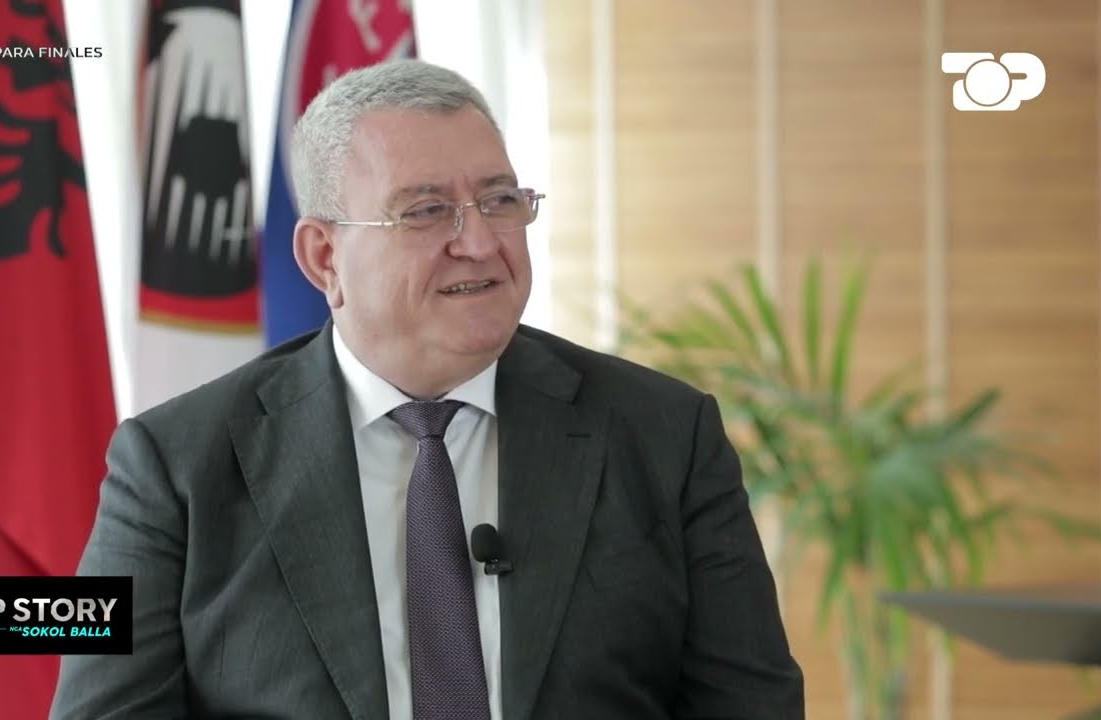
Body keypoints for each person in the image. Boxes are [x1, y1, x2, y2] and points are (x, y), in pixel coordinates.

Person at [50, 59, 804, 720]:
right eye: (426, 211)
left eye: (500, 200)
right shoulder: (173, 466)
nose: (479, 241)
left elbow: (752, 704)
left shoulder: (665, 435)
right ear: (324, 257)